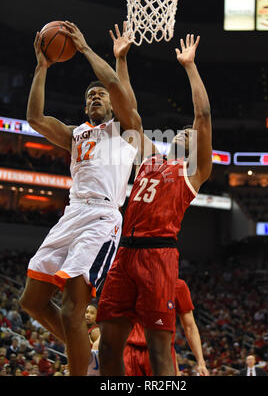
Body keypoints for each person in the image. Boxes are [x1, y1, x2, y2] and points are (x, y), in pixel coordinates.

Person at [19, 21, 143, 376]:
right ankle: (86, 356)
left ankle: (83, 369)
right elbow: (35, 118)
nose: (95, 97)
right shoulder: (76, 134)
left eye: (100, 95)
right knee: (31, 300)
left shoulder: (125, 130)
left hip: (102, 218)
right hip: (72, 214)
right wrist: (43, 67)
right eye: (90, 96)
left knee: (75, 310)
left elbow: (119, 87)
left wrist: (88, 50)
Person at [97, 27, 212, 376]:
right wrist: (121, 60)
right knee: (107, 345)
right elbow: (128, 111)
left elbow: (203, 116)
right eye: (184, 130)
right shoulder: (150, 158)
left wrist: (190, 67)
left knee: (161, 353)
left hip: (158, 256)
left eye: (189, 134)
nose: (184, 131)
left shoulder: (193, 175)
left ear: (194, 148)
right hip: (125, 253)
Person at [123, 279, 209, 376]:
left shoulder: (178, 286)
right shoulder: (129, 282)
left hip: (163, 351)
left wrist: (201, 363)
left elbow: (190, 327)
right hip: (130, 350)